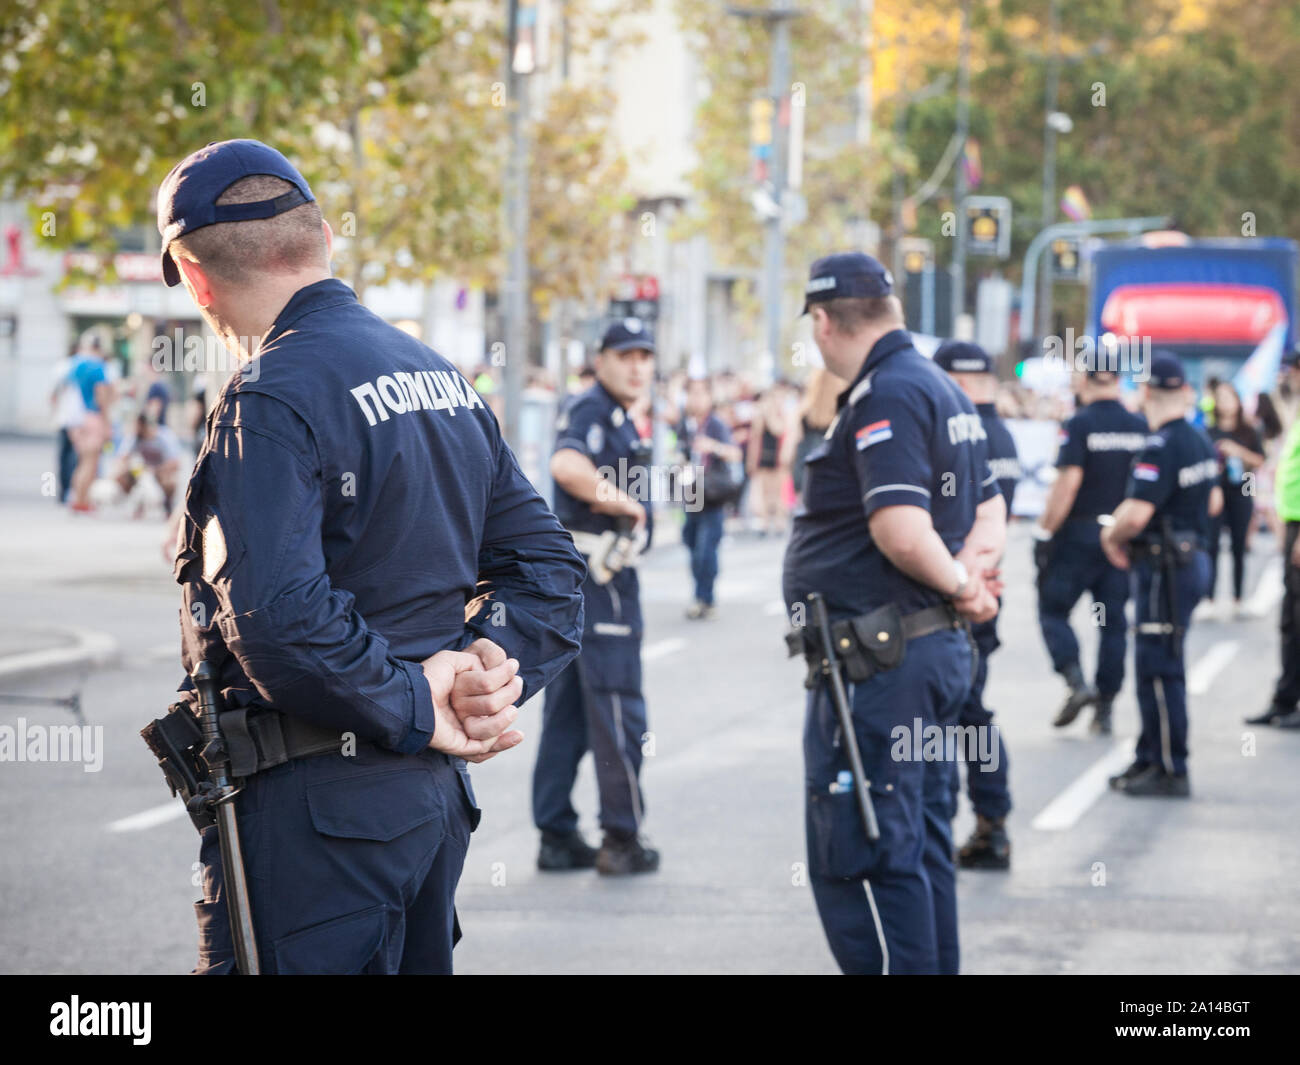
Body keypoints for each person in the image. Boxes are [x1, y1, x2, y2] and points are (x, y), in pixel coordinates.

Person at [156, 139, 584, 974]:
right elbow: (551, 572)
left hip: (316, 818)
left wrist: (419, 699)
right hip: (426, 805)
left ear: (197, 280)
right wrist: (491, 666)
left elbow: (278, 620)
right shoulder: (439, 376)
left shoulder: (266, 396)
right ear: (322, 238)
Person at [782, 252, 1006, 975]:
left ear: (823, 321)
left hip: (883, 663)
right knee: (921, 838)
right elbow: (992, 505)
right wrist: (970, 575)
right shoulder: (942, 386)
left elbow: (900, 529)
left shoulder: (888, 393)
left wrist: (960, 583)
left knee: (860, 847)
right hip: (922, 655)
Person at [533, 318, 661, 875]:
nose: (637, 366)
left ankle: (556, 833)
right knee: (616, 706)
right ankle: (621, 837)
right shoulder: (593, 408)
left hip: (581, 577)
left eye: (644, 356)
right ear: (601, 359)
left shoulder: (617, 415)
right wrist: (623, 502)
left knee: (568, 712)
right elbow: (566, 465)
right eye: (625, 355)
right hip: (601, 578)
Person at [1101, 352, 1220, 796]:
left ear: (1146, 391)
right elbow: (1213, 503)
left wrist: (1110, 537)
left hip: (1165, 566)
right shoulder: (1199, 440)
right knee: (1158, 662)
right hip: (1190, 558)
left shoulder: (1161, 445)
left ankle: (1170, 765)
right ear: (1184, 391)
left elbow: (1136, 514)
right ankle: (1150, 754)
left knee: (1158, 667)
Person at [933, 340, 1021, 870]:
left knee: (954, 714)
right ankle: (991, 821)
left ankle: (976, 824)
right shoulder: (1002, 433)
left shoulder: (959, 432)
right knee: (971, 712)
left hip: (956, 591)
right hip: (985, 587)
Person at [1032, 354, 1149, 733]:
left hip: (1079, 535)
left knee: (1052, 610)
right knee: (1112, 624)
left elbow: (1067, 485)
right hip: (1122, 537)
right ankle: (1105, 707)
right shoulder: (1139, 425)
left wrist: (1045, 531)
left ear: (1085, 379)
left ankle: (1075, 681)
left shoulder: (1079, 423)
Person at [1249, 350, 1300, 728]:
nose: (1287, 377)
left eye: (1291, 371)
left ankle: (1287, 700)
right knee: (1290, 621)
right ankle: (1285, 699)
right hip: (1292, 523)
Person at [678, 376, 743, 619]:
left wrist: (712, 446)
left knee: (707, 549)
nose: (696, 399)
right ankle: (700, 595)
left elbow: (735, 454)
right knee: (692, 544)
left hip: (713, 495)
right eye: (692, 393)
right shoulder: (685, 425)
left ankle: (705, 598)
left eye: (701, 393)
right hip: (691, 494)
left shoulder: (715, 425)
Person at [1204, 381, 1264, 617]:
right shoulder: (1209, 432)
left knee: (1239, 545)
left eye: (1229, 398)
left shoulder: (1249, 431)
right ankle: (1209, 598)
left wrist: (1237, 451)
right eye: (1220, 398)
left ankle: (1238, 598)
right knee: (1212, 545)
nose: (1225, 403)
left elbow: (1259, 460)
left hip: (1242, 491)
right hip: (1216, 493)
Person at [66, 336, 115, 512]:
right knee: (91, 462)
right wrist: (107, 422)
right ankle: (82, 500)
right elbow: (101, 395)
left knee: (82, 461)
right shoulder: (98, 367)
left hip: (77, 419)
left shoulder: (76, 365)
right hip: (93, 417)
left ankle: (77, 498)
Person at [747, 387, 790, 536]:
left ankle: (779, 521)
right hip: (764, 456)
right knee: (763, 491)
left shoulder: (781, 415)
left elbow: (779, 430)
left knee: (778, 491)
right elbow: (755, 437)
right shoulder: (761, 417)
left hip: (778, 457)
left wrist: (770, 414)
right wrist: (752, 460)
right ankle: (764, 522)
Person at [50, 341, 85, 504]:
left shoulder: (62, 366)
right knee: (76, 457)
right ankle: (72, 492)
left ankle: (64, 491)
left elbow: (53, 394)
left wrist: (54, 413)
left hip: (64, 418)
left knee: (64, 456)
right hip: (78, 418)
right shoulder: (79, 366)